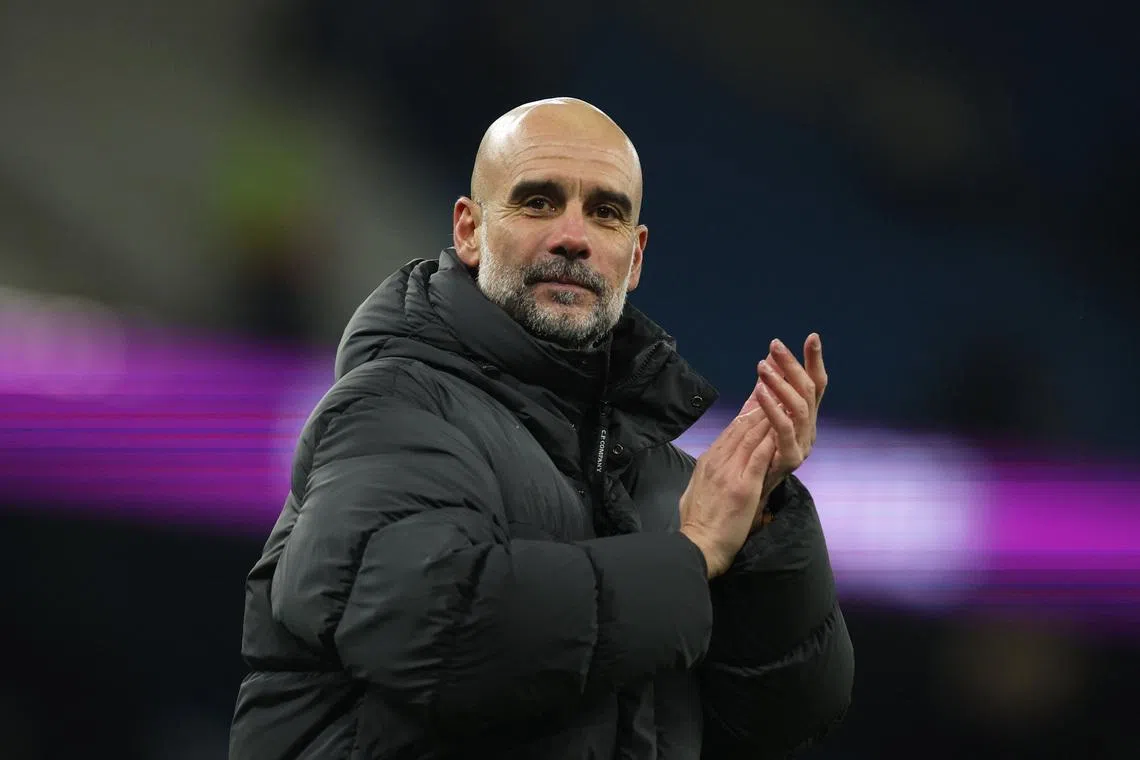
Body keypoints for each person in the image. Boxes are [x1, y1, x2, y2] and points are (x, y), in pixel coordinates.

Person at [229, 97, 853, 759]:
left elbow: (785, 717)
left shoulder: (662, 477)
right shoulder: (392, 411)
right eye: (538, 202)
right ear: (470, 231)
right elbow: (436, 631)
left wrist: (758, 523)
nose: (573, 237)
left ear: (635, 258)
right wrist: (692, 556)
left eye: (605, 212)